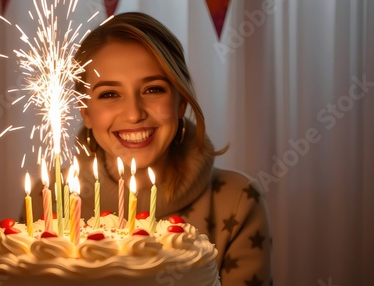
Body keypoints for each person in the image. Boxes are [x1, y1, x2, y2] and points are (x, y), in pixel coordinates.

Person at [30, 11, 272, 285]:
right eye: (109, 94)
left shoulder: (237, 201)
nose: (134, 114)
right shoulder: (49, 198)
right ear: (85, 111)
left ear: (181, 101)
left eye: (153, 89)